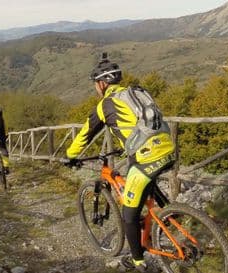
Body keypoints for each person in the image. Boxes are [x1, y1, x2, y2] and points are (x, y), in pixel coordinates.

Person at [64, 53, 175, 272]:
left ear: (103, 83)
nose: (96, 88)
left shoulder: (105, 105)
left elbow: (85, 135)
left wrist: (70, 155)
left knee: (128, 215)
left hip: (146, 158)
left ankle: (137, 261)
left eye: (96, 84)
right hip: (168, 149)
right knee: (145, 183)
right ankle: (170, 214)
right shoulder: (135, 93)